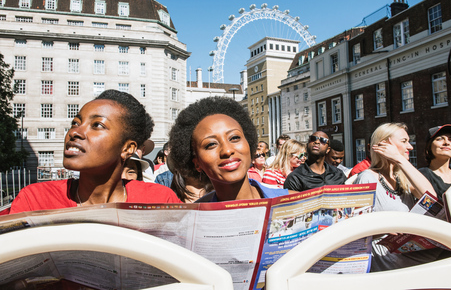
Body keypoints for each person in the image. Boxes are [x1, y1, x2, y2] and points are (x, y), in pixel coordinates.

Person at [10, 90, 181, 214]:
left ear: (128, 149)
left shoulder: (159, 201)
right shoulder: (34, 200)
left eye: (97, 125)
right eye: (75, 123)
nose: (74, 132)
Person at [353, 122, 441, 271]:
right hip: (385, 255)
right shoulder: (367, 177)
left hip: (408, 249)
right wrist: (383, 227)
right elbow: (356, 227)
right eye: (404, 141)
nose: (410, 147)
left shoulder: (403, 177)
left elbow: (431, 198)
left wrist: (400, 160)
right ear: (385, 144)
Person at [168, 97, 289, 202]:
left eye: (234, 138)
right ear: (197, 163)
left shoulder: (296, 203)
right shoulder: (193, 219)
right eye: (210, 145)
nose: (227, 150)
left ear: (249, 143)